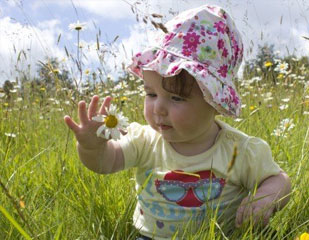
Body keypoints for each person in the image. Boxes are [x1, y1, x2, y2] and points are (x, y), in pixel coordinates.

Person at [64, 5, 291, 239]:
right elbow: (105, 163)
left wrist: (265, 199)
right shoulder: (144, 141)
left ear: (214, 101)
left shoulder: (240, 150)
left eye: (176, 97)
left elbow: (278, 180)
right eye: (151, 94)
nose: (158, 108)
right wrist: (92, 147)